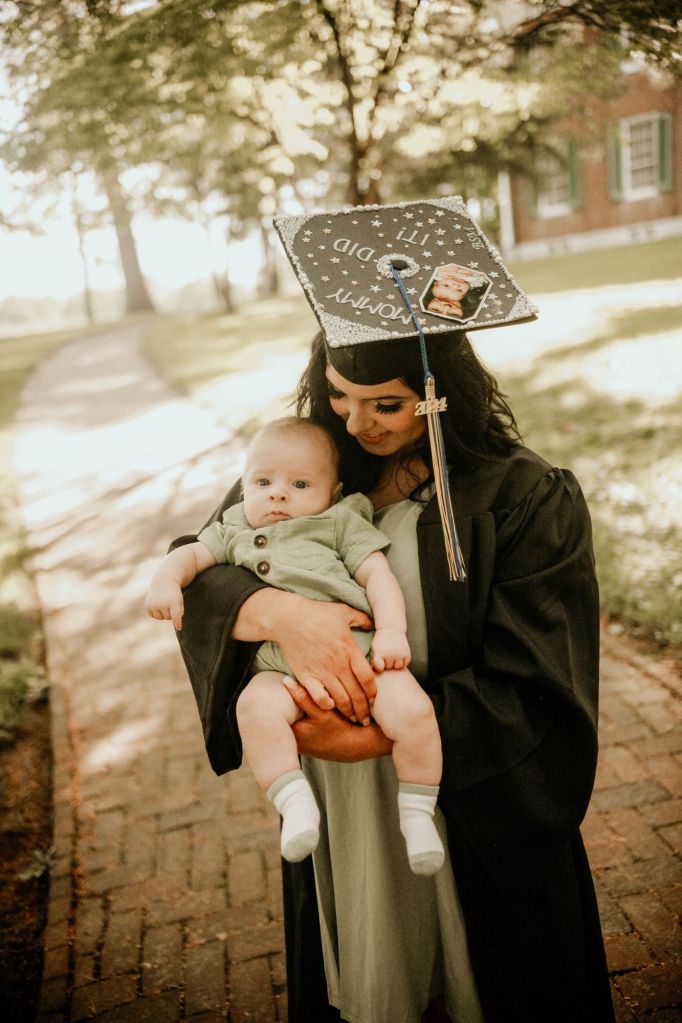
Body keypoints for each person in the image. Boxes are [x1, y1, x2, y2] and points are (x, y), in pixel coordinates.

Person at [169, 328, 614, 1023]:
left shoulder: (522, 495)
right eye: (338, 395)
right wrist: (280, 614)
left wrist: (375, 737)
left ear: (439, 392)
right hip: (341, 804)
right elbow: (201, 566)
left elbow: (540, 683)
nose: (355, 424)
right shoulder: (306, 463)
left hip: (459, 791)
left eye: (386, 404)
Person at [146, 416, 445, 875]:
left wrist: (390, 632)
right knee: (254, 709)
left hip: (360, 653)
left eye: (300, 484)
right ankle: (294, 800)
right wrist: (166, 582)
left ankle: (417, 813)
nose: (278, 495)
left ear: (333, 492)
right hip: (279, 670)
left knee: (415, 713)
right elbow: (188, 555)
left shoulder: (339, 521)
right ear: (244, 484)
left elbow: (378, 577)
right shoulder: (233, 527)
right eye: (262, 482)